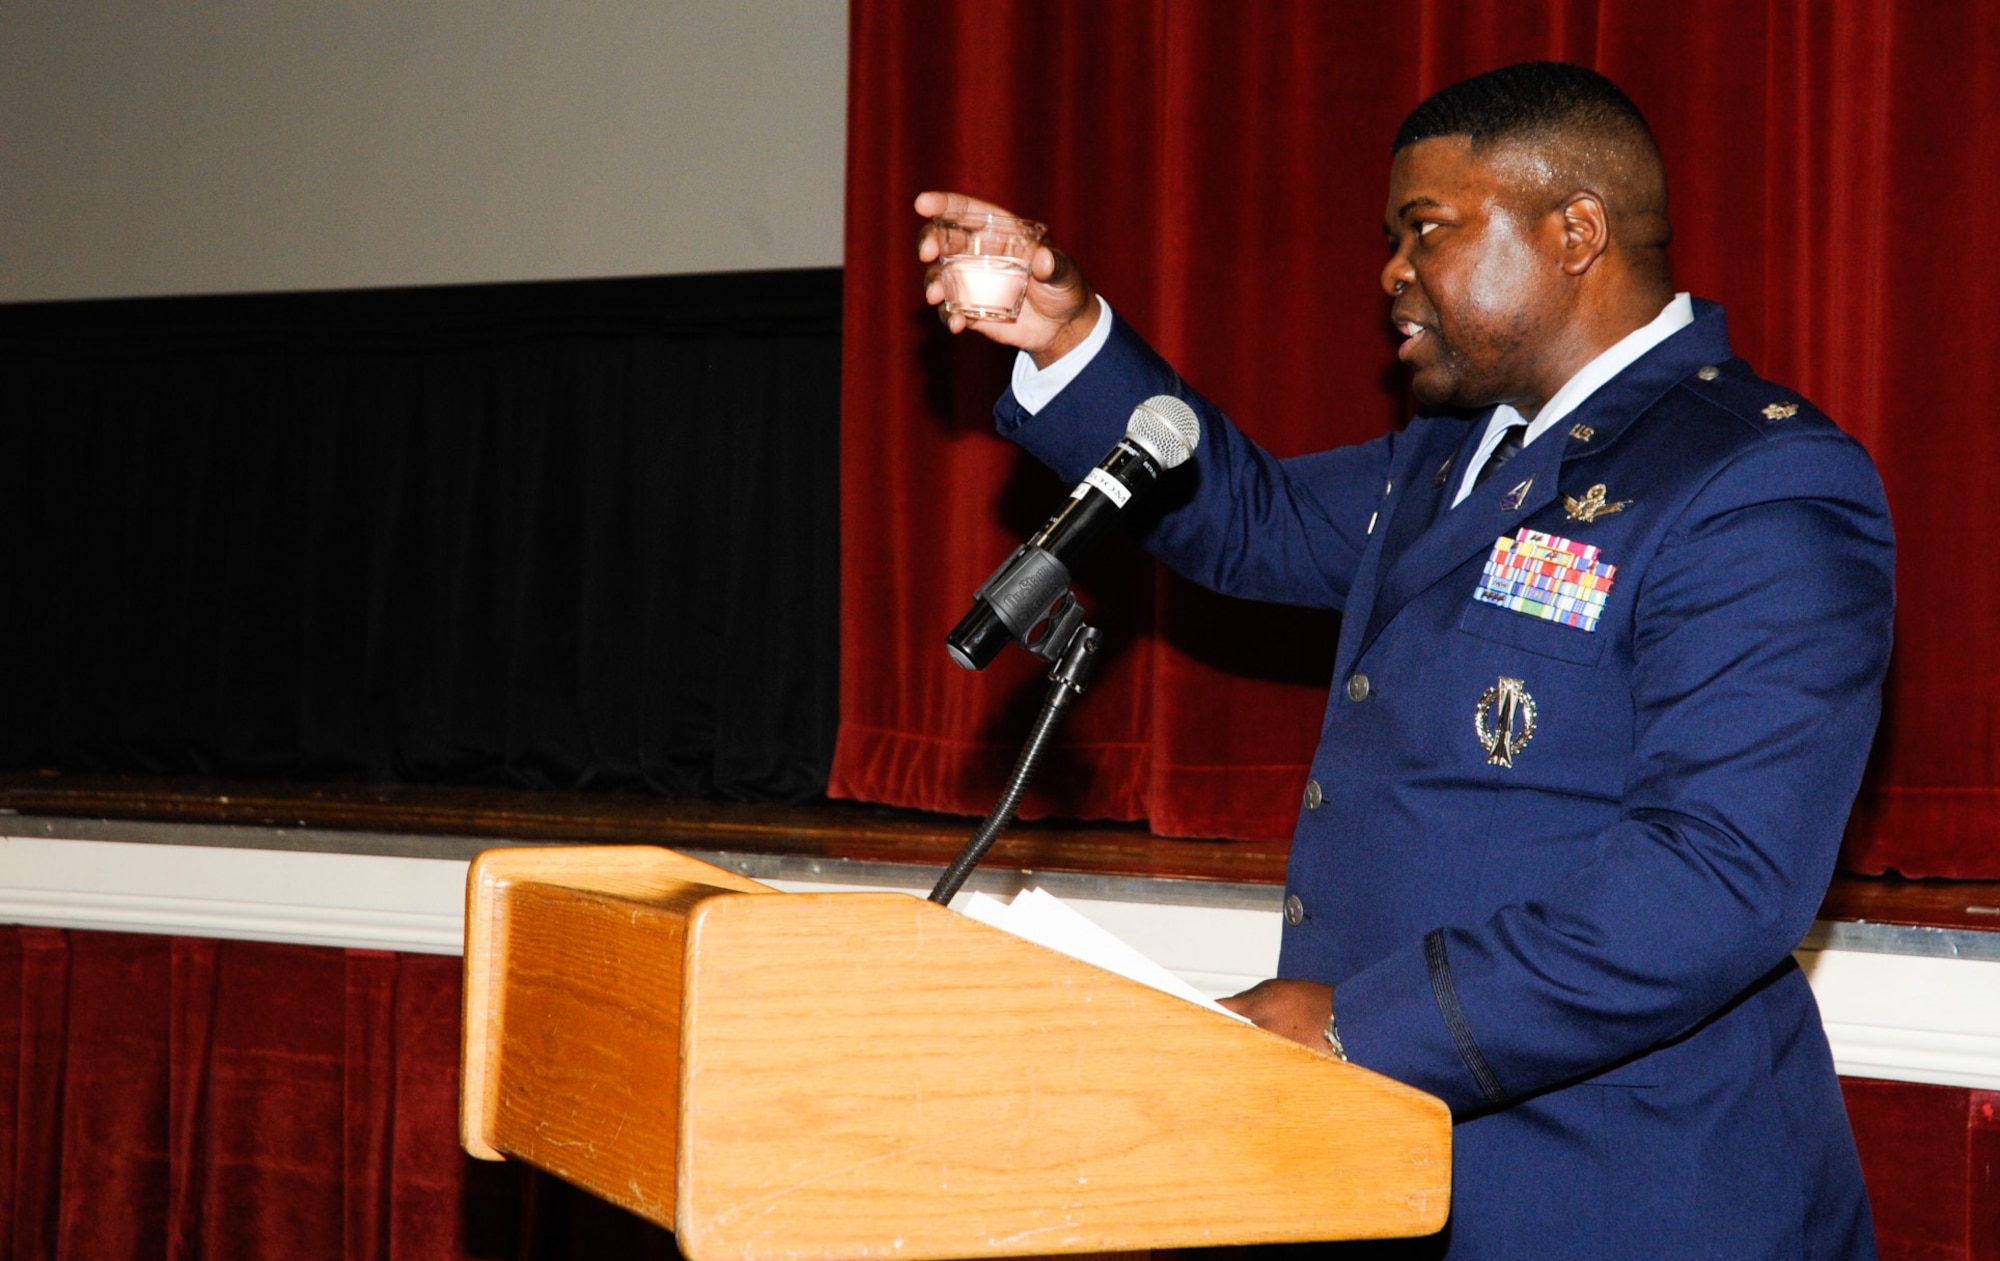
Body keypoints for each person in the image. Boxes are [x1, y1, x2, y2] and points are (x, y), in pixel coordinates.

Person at [917, 62, 1893, 1260]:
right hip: (1391, 1158)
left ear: (1573, 230)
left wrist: (1354, 1026)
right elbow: (1251, 517)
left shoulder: (1749, 479)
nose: (1389, 272)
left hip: (1622, 1188)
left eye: (1423, 229)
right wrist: (1069, 341)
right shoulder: (1452, 454)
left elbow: (1714, 880)